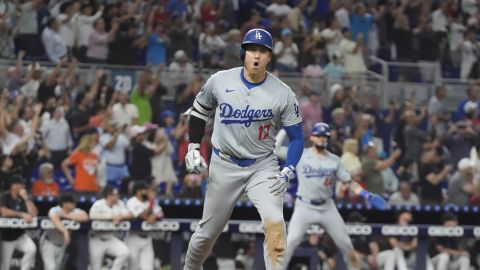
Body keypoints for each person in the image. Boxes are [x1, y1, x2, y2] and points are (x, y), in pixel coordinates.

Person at [183, 28, 304, 270]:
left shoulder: (283, 93)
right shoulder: (220, 80)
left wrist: (288, 169)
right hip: (224, 163)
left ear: (270, 57)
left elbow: (298, 137)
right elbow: (199, 111)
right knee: (207, 233)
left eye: (262, 51)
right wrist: (194, 146)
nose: (256, 56)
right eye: (251, 50)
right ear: (243, 53)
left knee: (275, 225)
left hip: (262, 165)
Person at [276, 123, 386, 270]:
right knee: (290, 242)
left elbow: (349, 183)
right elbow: (275, 150)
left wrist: (366, 194)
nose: (322, 138)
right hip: (305, 207)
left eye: (325, 136)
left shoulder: (335, 160)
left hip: (327, 207)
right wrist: (284, 130)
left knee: (346, 244)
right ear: (312, 137)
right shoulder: (301, 154)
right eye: (319, 135)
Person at [40, 193, 89, 270]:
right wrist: (65, 232)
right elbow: (54, 218)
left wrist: (66, 216)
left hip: (62, 244)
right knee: (51, 268)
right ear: (65, 203)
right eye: (72, 202)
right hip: (49, 242)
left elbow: (85, 217)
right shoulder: (55, 209)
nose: (74, 204)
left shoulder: (74, 211)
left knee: (58, 268)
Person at [88, 186, 132, 270]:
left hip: (110, 238)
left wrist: (121, 217)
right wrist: (111, 217)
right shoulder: (99, 203)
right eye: (115, 194)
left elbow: (130, 214)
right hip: (97, 239)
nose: (117, 196)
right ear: (109, 196)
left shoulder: (119, 203)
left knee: (125, 252)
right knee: (95, 267)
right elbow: (92, 215)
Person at [0, 175, 38, 270]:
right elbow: (4, 211)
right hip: (6, 237)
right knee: (5, 265)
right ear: (14, 186)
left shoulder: (23, 199)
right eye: (21, 184)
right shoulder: (5, 196)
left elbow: (34, 213)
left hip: (20, 235)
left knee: (31, 249)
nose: (23, 187)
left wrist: (26, 199)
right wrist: (22, 214)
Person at [125, 181, 163, 270]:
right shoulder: (132, 202)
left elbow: (161, 214)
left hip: (147, 239)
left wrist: (154, 216)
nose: (148, 192)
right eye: (145, 190)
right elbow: (141, 215)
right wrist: (151, 206)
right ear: (138, 191)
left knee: (148, 268)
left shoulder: (149, 202)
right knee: (133, 267)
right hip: (134, 238)